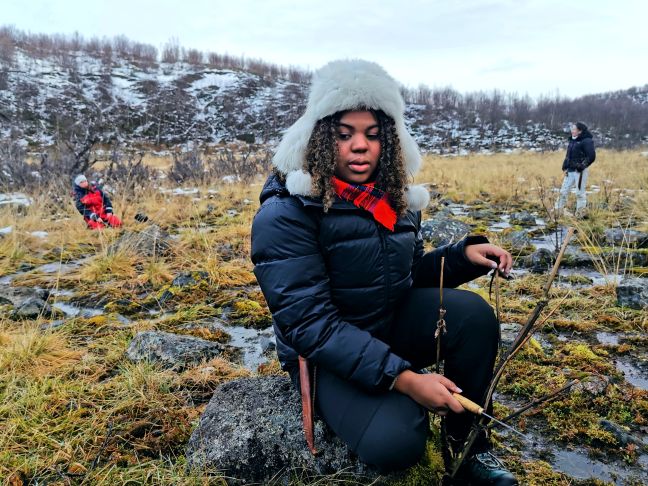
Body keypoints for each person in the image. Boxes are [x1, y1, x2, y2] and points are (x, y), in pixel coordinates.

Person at [250, 60, 517, 485]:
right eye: (344, 134)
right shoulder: (286, 213)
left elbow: (407, 276)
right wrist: (405, 379)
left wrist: (464, 258)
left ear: (389, 141)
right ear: (319, 137)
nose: (360, 146)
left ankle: (466, 448)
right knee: (397, 443)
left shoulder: (396, 201)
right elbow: (308, 324)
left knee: (474, 317)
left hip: (386, 321)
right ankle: (397, 404)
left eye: (373, 135)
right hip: (326, 354)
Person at [555, 122, 596, 217]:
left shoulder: (587, 141)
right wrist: (565, 166)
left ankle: (580, 214)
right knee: (563, 191)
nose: (572, 131)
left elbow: (591, 156)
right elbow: (568, 155)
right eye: (572, 129)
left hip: (580, 171)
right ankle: (557, 211)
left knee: (579, 193)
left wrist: (582, 166)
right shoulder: (572, 140)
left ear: (580, 131)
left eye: (574, 129)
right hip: (570, 170)